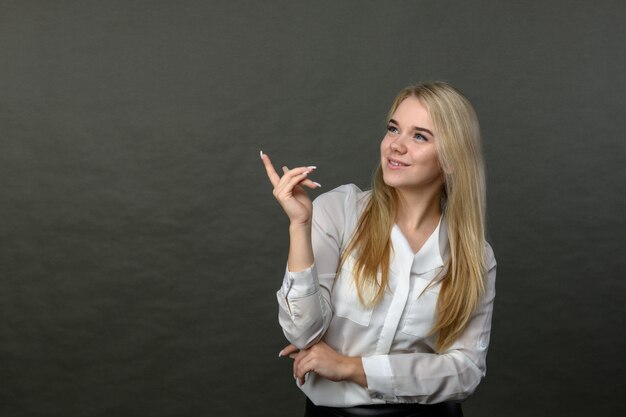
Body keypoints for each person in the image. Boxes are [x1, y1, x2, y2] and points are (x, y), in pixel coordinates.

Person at [261, 81, 497, 417]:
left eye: (420, 136)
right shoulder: (338, 212)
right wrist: (299, 226)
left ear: (452, 160)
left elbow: (465, 371)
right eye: (393, 129)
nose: (395, 146)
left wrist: (350, 367)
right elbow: (303, 332)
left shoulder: (475, 255)